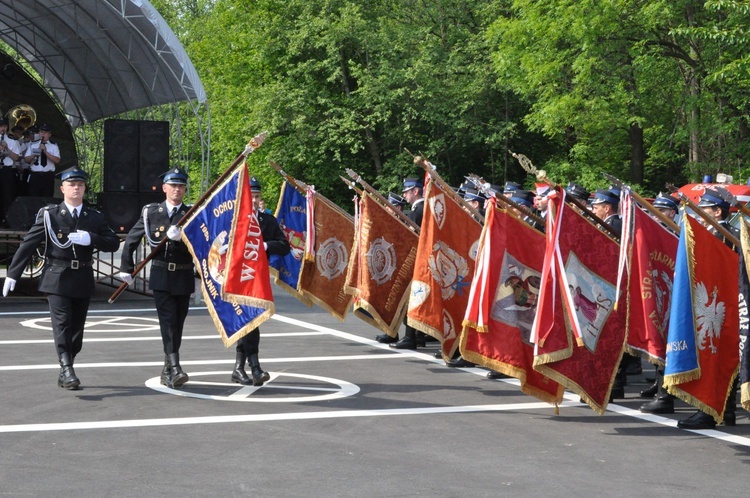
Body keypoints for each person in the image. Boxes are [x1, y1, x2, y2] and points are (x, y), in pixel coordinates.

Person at [2, 167, 120, 389]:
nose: (76, 188)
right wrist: (13, 273)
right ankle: (67, 369)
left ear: (84, 188)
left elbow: (113, 242)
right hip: (57, 277)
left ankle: (66, 367)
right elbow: (29, 243)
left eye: (80, 185)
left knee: (76, 331)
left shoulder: (93, 217)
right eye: (71, 184)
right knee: (62, 324)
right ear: (63, 188)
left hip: (82, 276)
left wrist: (91, 238)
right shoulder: (50, 215)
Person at [119, 167, 195, 389]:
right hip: (161, 274)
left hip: (183, 274)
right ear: (164, 188)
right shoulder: (151, 212)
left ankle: (167, 369)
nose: (177, 190)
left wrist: (184, 238)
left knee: (178, 324)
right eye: (173, 186)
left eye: (181, 186)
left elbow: (202, 247)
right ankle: (176, 366)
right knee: (168, 321)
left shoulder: (192, 214)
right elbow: (132, 238)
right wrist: (126, 267)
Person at [675, 187, 739, 429]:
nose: (700, 214)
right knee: (712, 354)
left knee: (721, 355)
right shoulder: (704, 233)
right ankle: (717, 409)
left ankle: (718, 410)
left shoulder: (728, 235)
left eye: (705, 209)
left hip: (725, 303)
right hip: (709, 302)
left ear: (718, 211)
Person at [230, 176, 291, 386]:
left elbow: (284, 246)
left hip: (258, 279)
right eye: (251, 196)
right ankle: (254, 367)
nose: (254, 200)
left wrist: (265, 246)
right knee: (247, 321)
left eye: (256, 196)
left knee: (252, 321)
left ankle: (240, 368)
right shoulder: (235, 221)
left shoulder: (267, 221)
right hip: (239, 279)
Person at [388, 177, 426, 350]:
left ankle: (411, 337)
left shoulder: (417, 211)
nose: (404, 194)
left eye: (407, 191)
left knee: (410, 298)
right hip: (422, 261)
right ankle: (417, 336)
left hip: (417, 261)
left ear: (415, 191)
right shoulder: (421, 209)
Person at [24, 122, 60, 197]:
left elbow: (57, 160)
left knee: (47, 197)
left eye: (45, 132)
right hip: (35, 175)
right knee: (33, 198)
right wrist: (34, 154)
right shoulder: (33, 145)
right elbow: (26, 160)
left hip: (47, 176)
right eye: (41, 132)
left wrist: (45, 151)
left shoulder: (54, 146)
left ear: (49, 134)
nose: (43, 134)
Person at [0, 117, 22, 223]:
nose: (2, 129)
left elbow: (17, 158)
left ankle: (6, 219)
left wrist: (7, 149)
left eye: (4, 126)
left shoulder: (12, 141)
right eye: (0, 126)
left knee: (7, 195)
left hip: (7, 170)